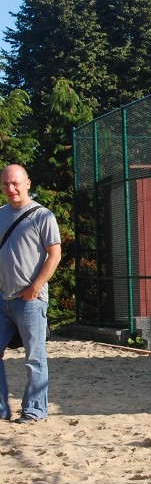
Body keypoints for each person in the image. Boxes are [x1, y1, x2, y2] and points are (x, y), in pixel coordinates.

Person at [0, 164, 61, 424]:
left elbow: (54, 254)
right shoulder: (0, 215)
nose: (11, 188)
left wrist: (35, 287)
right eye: (5, 184)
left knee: (34, 357)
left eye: (15, 183)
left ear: (28, 183)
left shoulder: (42, 216)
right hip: (3, 298)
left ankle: (34, 411)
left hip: (31, 301)